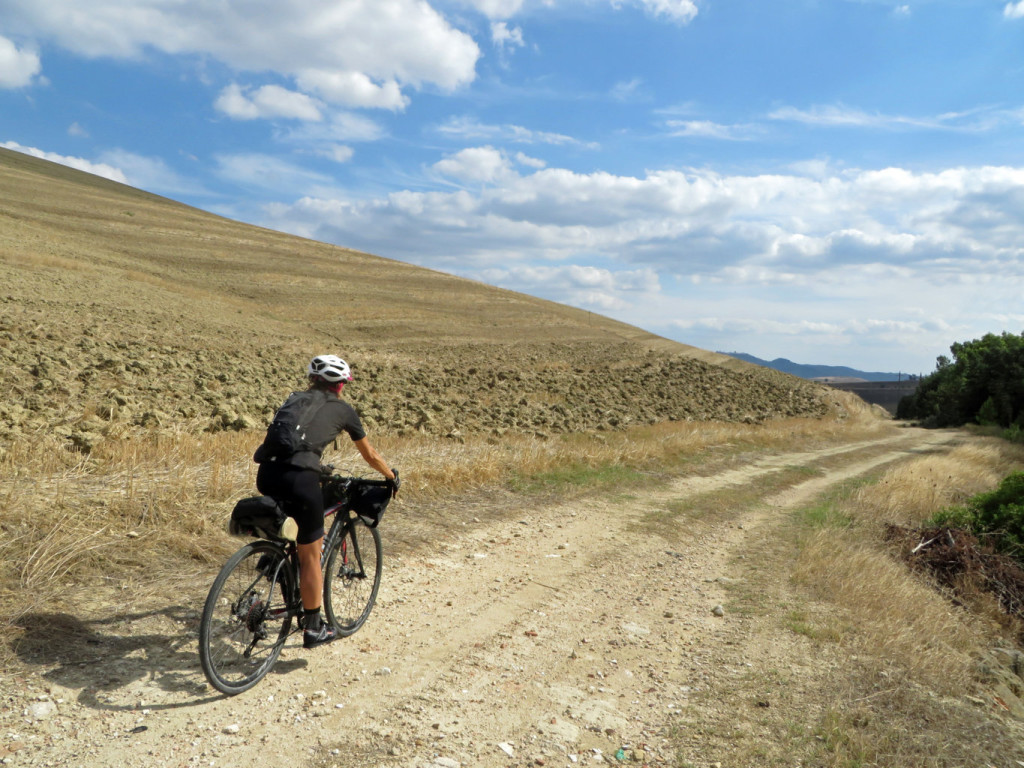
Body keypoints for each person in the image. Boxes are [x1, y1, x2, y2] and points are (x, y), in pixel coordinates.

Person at [254, 354, 398, 649]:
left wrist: (317, 468)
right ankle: (314, 628)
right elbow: (369, 455)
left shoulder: (294, 399)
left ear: (313, 380)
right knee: (311, 554)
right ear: (342, 385)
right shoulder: (343, 410)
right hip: (300, 480)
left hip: (267, 473)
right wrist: (390, 476)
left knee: (291, 524)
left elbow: (292, 441)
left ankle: (273, 559)